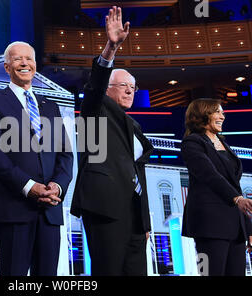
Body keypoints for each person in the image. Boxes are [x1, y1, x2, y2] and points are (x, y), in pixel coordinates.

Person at [0, 41, 73, 276]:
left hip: (49, 211)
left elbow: (65, 154)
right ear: (7, 67)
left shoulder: (51, 106)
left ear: (35, 65)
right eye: (18, 59)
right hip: (13, 209)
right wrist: (29, 186)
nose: (24, 63)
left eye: (29, 59)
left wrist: (57, 187)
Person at [71, 7, 154, 276]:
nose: (131, 89)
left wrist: (146, 221)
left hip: (134, 214)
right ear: (108, 88)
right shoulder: (96, 109)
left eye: (134, 86)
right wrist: (111, 47)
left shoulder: (134, 125)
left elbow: (137, 172)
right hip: (105, 208)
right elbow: (94, 86)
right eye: (123, 85)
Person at [181, 98, 252, 276]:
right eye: (217, 112)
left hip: (234, 226)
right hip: (208, 226)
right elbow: (209, 174)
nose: (222, 116)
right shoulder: (192, 143)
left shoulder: (224, 143)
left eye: (222, 112)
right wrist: (238, 199)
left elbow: (234, 186)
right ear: (203, 114)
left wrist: (248, 227)